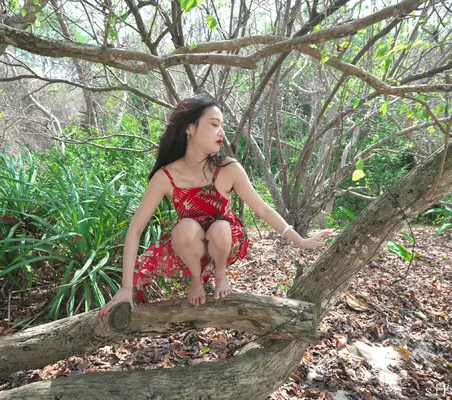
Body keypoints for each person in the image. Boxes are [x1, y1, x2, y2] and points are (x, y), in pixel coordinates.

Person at [98, 96, 331, 317]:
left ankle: (221, 275)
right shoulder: (165, 177)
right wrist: (126, 289)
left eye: (222, 126)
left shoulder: (228, 168)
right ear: (190, 128)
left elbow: (263, 209)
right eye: (214, 124)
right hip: (190, 246)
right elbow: (135, 229)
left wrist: (301, 241)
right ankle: (196, 279)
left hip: (225, 241)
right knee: (185, 227)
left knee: (220, 227)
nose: (221, 132)